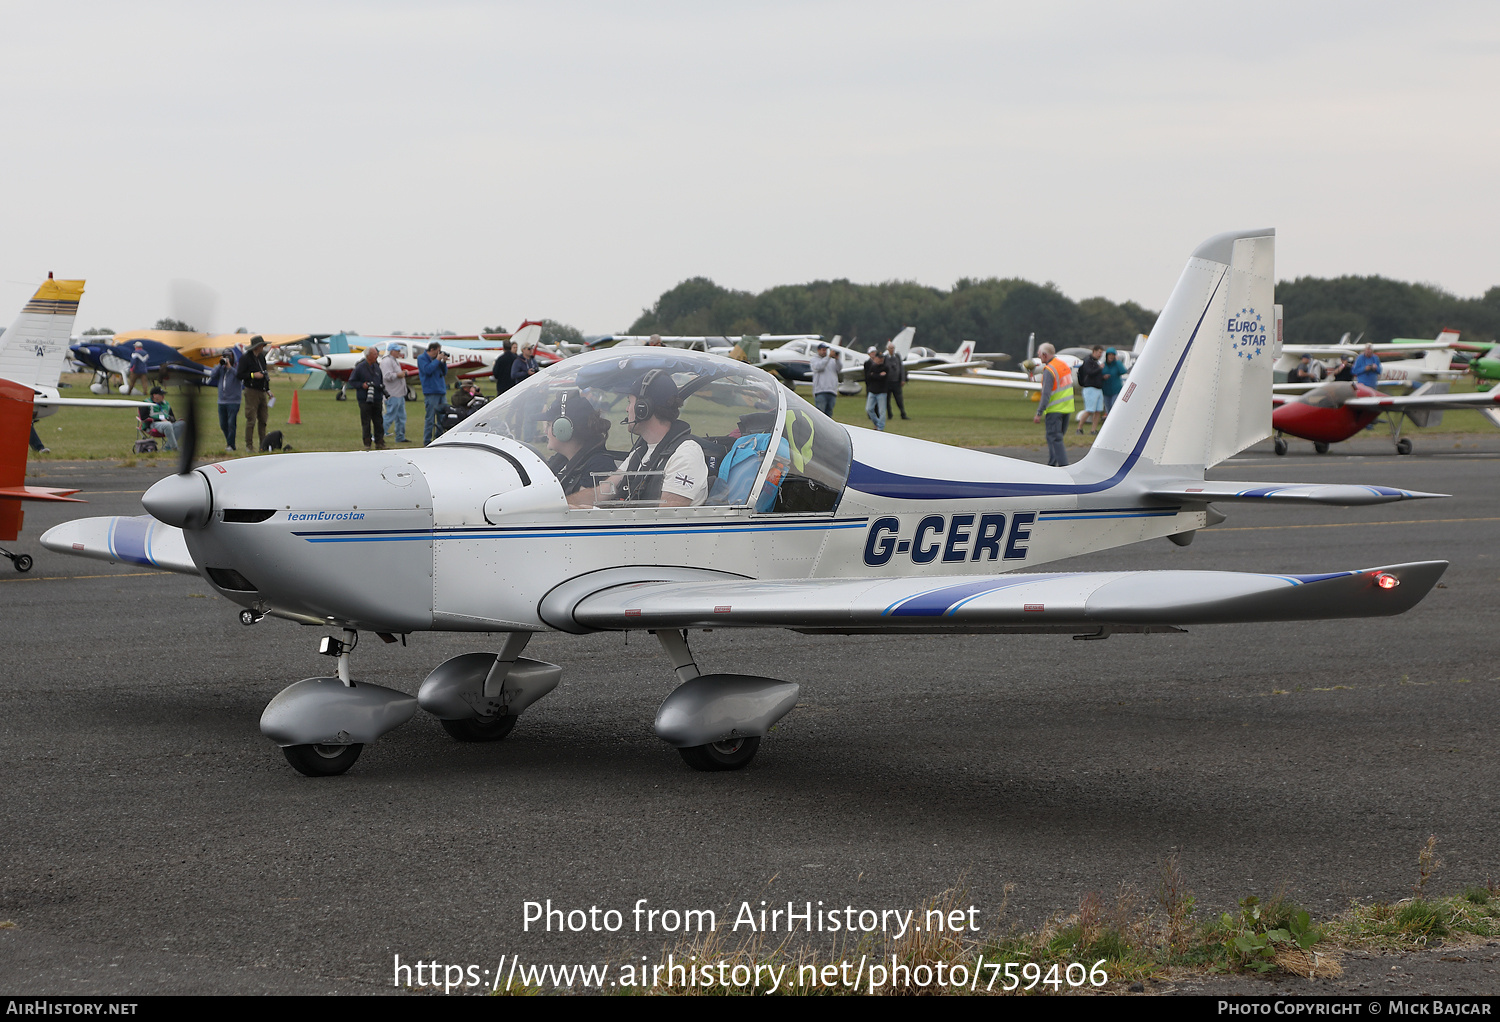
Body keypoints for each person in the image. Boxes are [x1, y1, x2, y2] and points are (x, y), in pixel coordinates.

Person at [613, 369, 707, 507]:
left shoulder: (685, 454)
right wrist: (573, 506)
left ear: (642, 409)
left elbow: (666, 517)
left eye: (629, 402)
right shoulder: (640, 452)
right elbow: (603, 491)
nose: (627, 409)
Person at [541, 389, 618, 507]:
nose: (545, 431)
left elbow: (582, 511)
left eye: (549, 425)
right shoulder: (561, 460)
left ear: (563, 429)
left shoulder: (599, 465)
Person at [1032, 342, 1075, 467]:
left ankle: (1063, 465)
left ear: (1045, 355)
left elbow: (1046, 394)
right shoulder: (1063, 365)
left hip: (1055, 409)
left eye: (1039, 355)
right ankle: (1052, 464)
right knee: (1056, 439)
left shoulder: (1049, 370)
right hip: (1067, 408)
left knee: (1055, 439)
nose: (1039, 357)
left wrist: (1039, 412)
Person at [235, 335, 273, 452]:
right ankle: (249, 446)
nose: (263, 347)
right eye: (262, 345)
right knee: (251, 419)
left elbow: (265, 374)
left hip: (262, 391)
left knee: (263, 419)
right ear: (257, 347)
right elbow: (239, 375)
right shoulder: (245, 359)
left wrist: (268, 389)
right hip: (251, 391)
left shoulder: (261, 357)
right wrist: (253, 375)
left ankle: (263, 445)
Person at [206, 345, 243, 450]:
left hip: (234, 401)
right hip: (222, 400)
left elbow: (239, 376)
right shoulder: (221, 369)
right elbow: (212, 375)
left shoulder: (237, 366)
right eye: (224, 356)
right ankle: (230, 443)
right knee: (223, 424)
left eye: (228, 356)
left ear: (232, 357)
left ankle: (230, 445)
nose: (226, 358)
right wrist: (219, 365)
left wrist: (230, 367)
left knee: (231, 423)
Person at [350, 345, 386, 449]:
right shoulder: (360, 368)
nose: (377, 356)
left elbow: (381, 381)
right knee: (366, 422)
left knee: (378, 421)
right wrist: (362, 385)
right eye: (374, 354)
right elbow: (352, 381)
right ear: (368, 355)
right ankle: (367, 443)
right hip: (364, 399)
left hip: (377, 398)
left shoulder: (377, 367)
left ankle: (380, 442)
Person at [417, 341, 449, 445]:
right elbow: (427, 370)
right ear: (432, 350)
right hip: (430, 391)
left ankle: (439, 438)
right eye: (438, 351)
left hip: (441, 390)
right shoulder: (421, 358)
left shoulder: (437, 360)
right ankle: (427, 440)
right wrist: (437, 360)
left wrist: (443, 362)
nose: (439, 353)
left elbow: (444, 372)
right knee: (430, 417)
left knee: (442, 417)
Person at [380, 343, 409, 443]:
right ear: (391, 351)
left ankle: (400, 436)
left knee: (401, 417)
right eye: (397, 351)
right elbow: (387, 376)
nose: (399, 352)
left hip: (399, 393)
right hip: (392, 394)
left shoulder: (395, 361)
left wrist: (401, 373)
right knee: (390, 416)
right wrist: (398, 375)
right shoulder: (387, 361)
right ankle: (378, 435)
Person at [145, 386, 186, 451]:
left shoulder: (166, 404)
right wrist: (160, 420)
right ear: (154, 395)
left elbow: (173, 417)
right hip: (153, 424)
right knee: (167, 425)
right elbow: (143, 417)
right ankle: (174, 448)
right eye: (161, 395)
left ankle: (168, 447)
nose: (163, 396)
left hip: (168, 423)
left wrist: (170, 419)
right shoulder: (145, 403)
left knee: (182, 423)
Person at [1077, 345, 1106, 434]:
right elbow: (1089, 372)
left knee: (1098, 410)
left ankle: (1093, 430)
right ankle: (1079, 428)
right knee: (1089, 410)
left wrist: (1103, 377)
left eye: (1101, 353)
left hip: (1098, 388)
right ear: (1094, 351)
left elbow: (1096, 374)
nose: (1100, 355)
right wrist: (1099, 368)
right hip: (1090, 388)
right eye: (1099, 352)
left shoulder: (1096, 362)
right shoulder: (1088, 361)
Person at [863, 347, 890, 431]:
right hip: (872, 390)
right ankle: (876, 423)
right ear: (876, 358)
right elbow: (868, 377)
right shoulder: (871, 366)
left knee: (882, 411)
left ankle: (880, 427)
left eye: (882, 358)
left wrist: (874, 375)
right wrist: (878, 375)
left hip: (882, 391)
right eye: (879, 358)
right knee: (869, 409)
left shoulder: (885, 367)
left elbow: (884, 377)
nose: (881, 359)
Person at [810, 341, 839, 417]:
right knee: (820, 415)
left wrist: (837, 359)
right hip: (820, 391)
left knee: (829, 414)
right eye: (823, 350)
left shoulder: (832, 361)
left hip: (831, 391)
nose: (824, 352)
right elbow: (819, 367)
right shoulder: (814, 360)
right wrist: (828, 357)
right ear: (818, 350)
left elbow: (839, 369)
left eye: (825, 350)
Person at [884, 339, 910, 420]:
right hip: (887, 382)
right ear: (887, 350)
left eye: (893, 348)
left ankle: (903, 414)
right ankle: (889, 415)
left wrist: (903, 379)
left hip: (896, 382)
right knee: (887, 400)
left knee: (899, 399)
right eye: (890, 348)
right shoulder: (885, 358)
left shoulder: (898, 357)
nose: (892, 350)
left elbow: (901, 369)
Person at [1100, 348, 1126, 422]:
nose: (1111, 356)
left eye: (1112, 355)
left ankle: (1115, 421)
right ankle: (1109, 422)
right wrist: (1103, 377)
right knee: (1108, 407)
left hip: (1116, 389)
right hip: (1106, 390)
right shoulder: (1103, 365)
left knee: (1114, 406)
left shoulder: (1117, 364)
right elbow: (1098, 375)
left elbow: (1123, 371)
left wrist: (1118, 362)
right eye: (1109, 355)